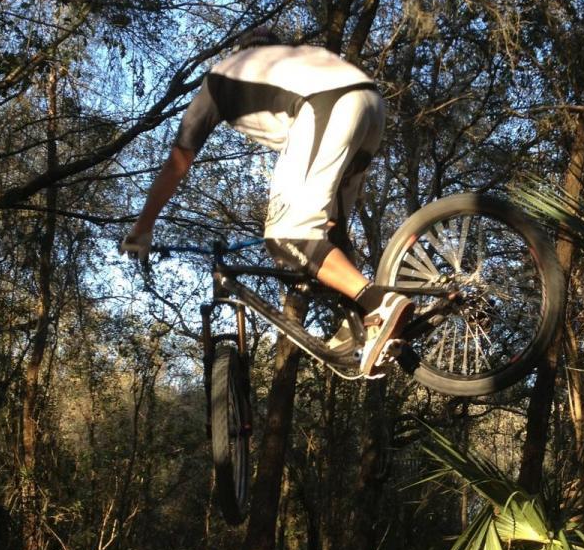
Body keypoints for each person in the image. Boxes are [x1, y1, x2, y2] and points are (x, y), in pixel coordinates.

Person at [119, 29, 411, 376]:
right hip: (371, 105)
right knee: (327, 234)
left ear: (244, 51)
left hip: (328, 104)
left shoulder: (223, 74)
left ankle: (377, 301)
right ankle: (365, 326)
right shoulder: (297, 59)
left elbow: (179, 159)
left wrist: (144, 226)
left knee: (287, 235)